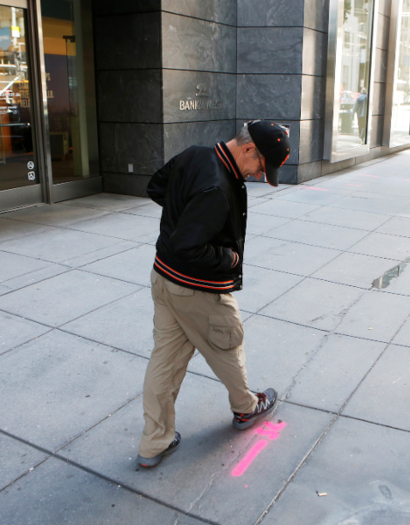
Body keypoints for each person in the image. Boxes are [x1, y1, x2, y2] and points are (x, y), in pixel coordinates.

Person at [137, 120, 291, 468]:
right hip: (197, 288)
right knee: (228, 343)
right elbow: (188, 246)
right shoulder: (218, 187)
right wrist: (228, 258)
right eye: (261, 167)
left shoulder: (196, 155)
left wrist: (183, 213)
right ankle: (247, 408)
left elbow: (156, 187)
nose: (257, 175)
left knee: (165, 360)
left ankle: (154, 443)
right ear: (249, 148)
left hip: (164, 277)